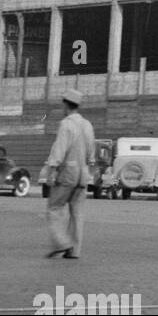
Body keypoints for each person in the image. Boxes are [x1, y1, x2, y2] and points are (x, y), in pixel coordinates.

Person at [44, 88, 95, 260]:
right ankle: (74, 250)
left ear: (66, 105)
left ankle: (61, 242)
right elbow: (91, 152)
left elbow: (59, 149)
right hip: (83, 174)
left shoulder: (66, 124)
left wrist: (51, 170)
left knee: (54, 207)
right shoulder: (87, 125)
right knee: (77, 212)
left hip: (67, 173)